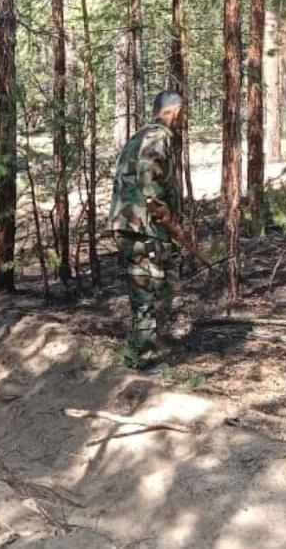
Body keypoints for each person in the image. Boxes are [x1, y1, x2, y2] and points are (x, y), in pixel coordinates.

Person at [108, 90, 186, 368]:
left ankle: (144, 346)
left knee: (161, 286)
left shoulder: (139, 135)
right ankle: (141, 358)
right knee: (150, 291)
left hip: (135, 226)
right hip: (144, 228)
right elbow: (149, 184)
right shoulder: (158, 136)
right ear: (173, 111)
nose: (182, 119)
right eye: (182, 113)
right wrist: (168, 220)